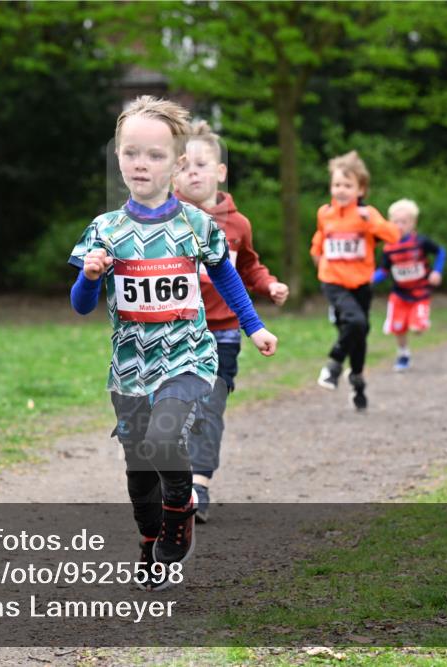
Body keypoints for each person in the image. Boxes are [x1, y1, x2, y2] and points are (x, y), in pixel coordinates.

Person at [68, 96, 277, 590]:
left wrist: (255, 327)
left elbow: (228, 281)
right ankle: (149, 540)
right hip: (130, 368)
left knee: (166, 439)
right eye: (130, 152)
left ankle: (180, 514)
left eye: (155, 155)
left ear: (178, 163)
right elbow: (80, 306)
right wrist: (92, 277)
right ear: (118, 155)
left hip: (187, 357)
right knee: (140, 473)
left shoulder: (196, 224)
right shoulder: (105, 230)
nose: (141, 163)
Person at [172, 120, 288, 523]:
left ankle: (199, 486)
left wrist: (268, 285)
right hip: (172, 334)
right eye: (183, 164)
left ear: (220, 172)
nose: (192, 172)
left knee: (209, 408)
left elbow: (250, 268)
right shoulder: (163, 221)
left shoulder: (237, 226)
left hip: (222, 335)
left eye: (201, 164)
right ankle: (171, 481)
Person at [311, 150, 400, 410]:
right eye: (337, 184)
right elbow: (319, 241)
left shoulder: (367, 214)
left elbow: (393, 236)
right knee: (355, 322)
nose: (341, 190)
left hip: (361, 283)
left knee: (359, 333)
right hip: (334, 282)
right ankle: (334, 365)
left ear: (360, 188)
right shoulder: (325, 213)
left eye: (347, 185)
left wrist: (371, 222)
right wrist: (318, 257)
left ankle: (358, 381)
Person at [373, 199, 445, 372]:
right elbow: (384, 271)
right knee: (398, 328)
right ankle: (403, 354)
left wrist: (437, 271)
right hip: (399, 294)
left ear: (413, 223)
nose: (399, 225)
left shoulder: (420, 241)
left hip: (420, 293)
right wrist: (368, 279)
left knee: (416, 328)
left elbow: (441, 251)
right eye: (395, 222)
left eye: (404, 222)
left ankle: (420, 323)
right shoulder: (389, 247)